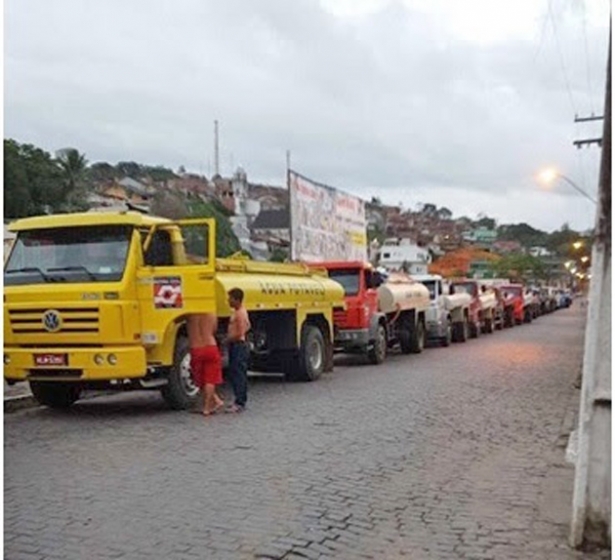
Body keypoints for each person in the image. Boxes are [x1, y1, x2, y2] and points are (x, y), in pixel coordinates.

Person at [187, 312, 224, 416]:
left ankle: (212, 403)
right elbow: (214, 329)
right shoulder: (211, 313)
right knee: (210, 379)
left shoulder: (190, 315)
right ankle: (210, 405)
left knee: (200, 380)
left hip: (196, 348)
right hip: (210, 346)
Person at [226, 288, 251, 413]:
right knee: (236, 372)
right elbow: (248, 326)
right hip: (237, 344)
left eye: (230, 298)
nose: (228, 300)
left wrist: (229, 338)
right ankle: (239, 400)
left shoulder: (240, 313)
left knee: (238, 373)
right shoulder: (239, 311)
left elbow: (241, 331)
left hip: (238, 345)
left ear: (236, 299)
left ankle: (240, 402)